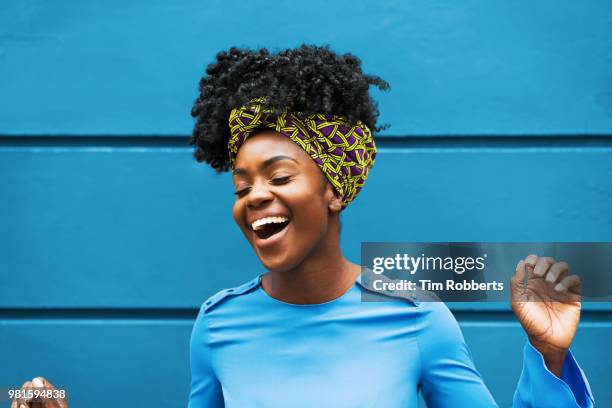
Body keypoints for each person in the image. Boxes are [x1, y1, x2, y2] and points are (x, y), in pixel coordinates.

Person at [12, 44, 594, 408]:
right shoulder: (217, 325)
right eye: (241, 186)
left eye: (279, 176)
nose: (254, 197)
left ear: (334, 189)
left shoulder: (418, 319)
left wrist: (548, 356)